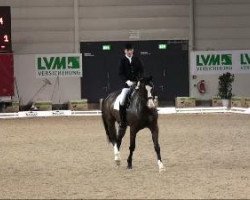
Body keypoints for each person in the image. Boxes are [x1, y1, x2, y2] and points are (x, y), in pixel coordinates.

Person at [118, 43, 144, 128]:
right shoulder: (122, 60)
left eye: (130, 50)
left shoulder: (137, 59)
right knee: (122, 101)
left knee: (146, 95)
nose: (129, 52)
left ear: (133, 50)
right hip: (127, 84)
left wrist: (139, 80)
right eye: (127, 50)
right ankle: (122, 121)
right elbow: (120, 73)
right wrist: (127, 81)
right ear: (125, 51)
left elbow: (141, 70)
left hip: (137, 83)